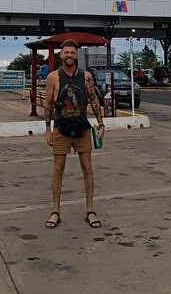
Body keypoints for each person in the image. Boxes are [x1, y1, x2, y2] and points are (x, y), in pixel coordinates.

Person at [43, 39, 105, 229]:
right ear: (61, 55)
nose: (69, 55)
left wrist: (101, 124)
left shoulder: (86, 77)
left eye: (72, 52)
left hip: (83, 129)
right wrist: (48, 129)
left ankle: (90, 211)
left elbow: (94, 100)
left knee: (87, 168)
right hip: (61, 129)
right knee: (58, 169)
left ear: (76, 54)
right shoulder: (53, 77)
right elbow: (48, 105)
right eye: (66, 52)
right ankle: (55, 211)